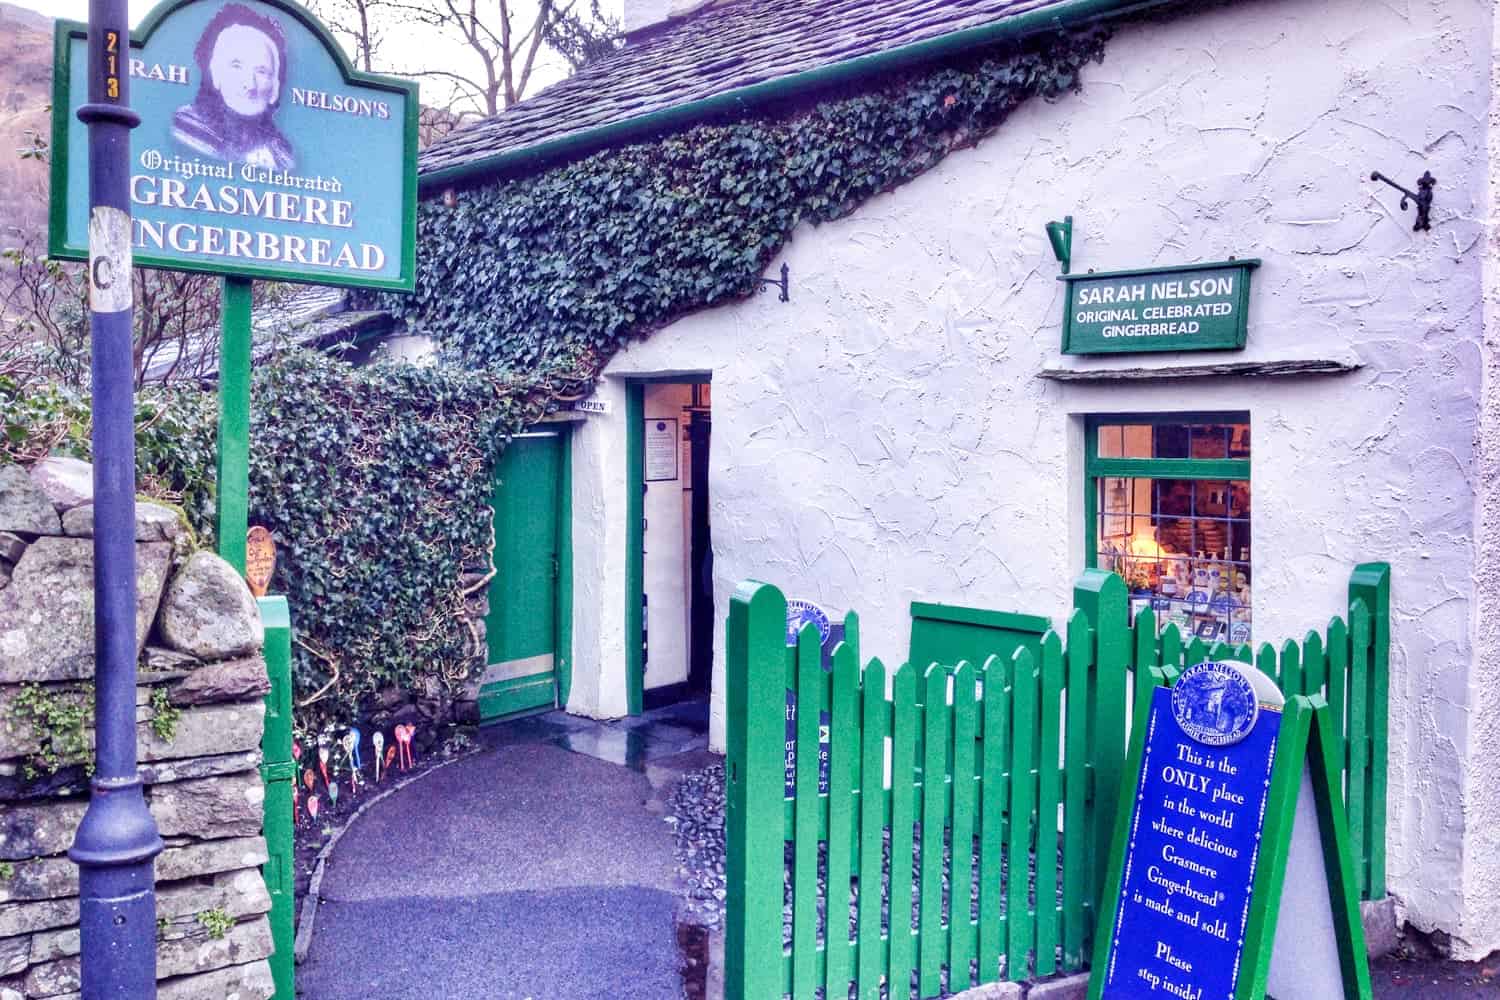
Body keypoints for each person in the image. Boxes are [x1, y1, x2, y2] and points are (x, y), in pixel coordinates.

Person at [172, 4, 295, 170]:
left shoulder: (283, 157)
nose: (250, 85)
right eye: (236, 66)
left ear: (275, 88)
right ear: (215, 74)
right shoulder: (184, 129)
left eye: (262, 71)